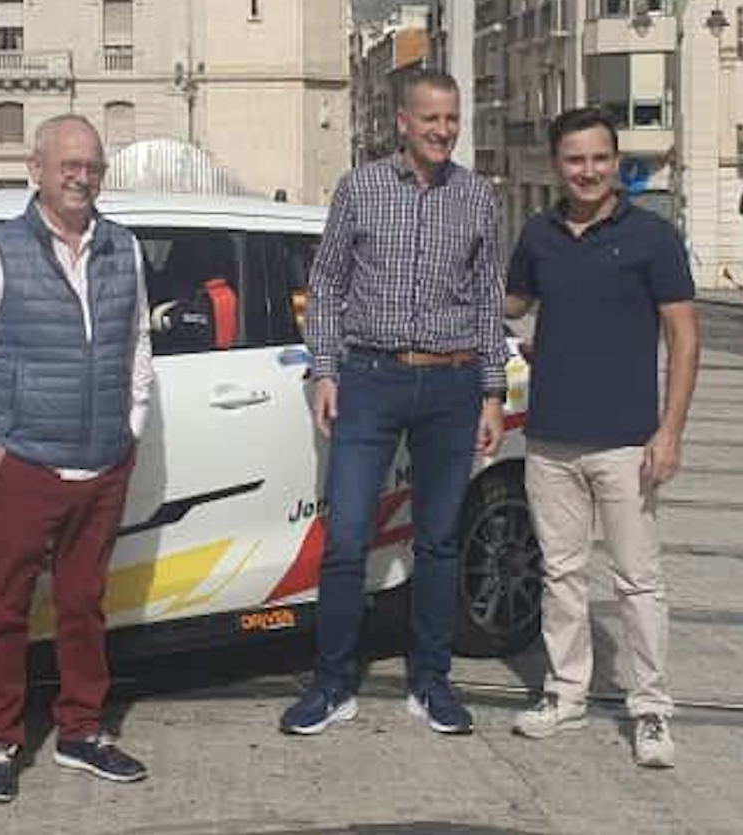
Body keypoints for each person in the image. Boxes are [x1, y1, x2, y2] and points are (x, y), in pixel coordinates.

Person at [281, 69, 508, 738]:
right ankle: (331, 683)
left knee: (438, 541)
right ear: (402, 122)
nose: (443, 130)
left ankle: (431, 681)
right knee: (347, 538)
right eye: (431, 119)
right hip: (370, 379)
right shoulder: (360, 188)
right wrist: (326, 370)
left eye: (452, 119)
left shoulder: (477, 197)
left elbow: (489, 300)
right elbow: (326, 283)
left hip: (452, 384)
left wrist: (492, 392)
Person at [0, 114, 154, 803]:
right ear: (36, 169)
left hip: (102, 463)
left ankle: (81, 731)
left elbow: (137, 342)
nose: (81, 177)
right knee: (3, 610)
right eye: (69, 165)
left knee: (83, 605)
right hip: (24, 465)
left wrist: (131, 424)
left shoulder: (123, 247)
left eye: (92, 166)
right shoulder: (0, 251)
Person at [505, 107, 698, 769]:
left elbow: (684, 337)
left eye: (598, 158)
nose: (587, 171)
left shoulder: (653, 237)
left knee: (638, 580)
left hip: (627, 442)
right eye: (574, 159)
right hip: (550, 440)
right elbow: (510, 304)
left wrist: (669, 431)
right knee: (560, 575)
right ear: (556, 165)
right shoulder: (538, 234)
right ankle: (566, 692)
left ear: (615, 162)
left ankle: (650, 708)